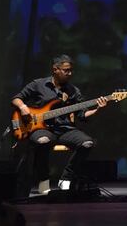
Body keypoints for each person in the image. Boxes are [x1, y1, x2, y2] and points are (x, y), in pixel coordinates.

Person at [12, 54, 108, 194]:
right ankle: (43, 182)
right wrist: (23, 107)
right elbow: (16, 98)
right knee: (43, 141)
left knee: (87, 143)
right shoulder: (38, 84)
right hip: (42, 128)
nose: (70, 73)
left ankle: (66, 180)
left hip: (65, 129)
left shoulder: (73, 91)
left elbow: (82, 114)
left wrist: (97, 110)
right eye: (66, 70)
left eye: (71, 70)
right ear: (55, 69)